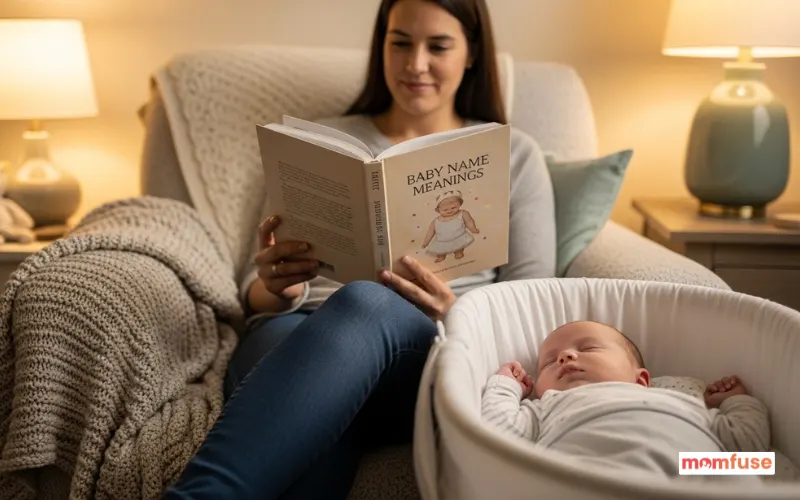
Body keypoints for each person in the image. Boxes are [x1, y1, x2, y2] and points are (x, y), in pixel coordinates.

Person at [164, 0, 556, 498]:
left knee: (365, 299)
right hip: (290, 331)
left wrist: (455, 312)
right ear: (382, 47)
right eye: (400, 43)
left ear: (472, 53)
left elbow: (534, 299)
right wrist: (275, 287)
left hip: (431, 347)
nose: (415, 64)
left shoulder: (514, 153)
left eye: (438, 46)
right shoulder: (317, 140)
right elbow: (252, 289)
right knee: (324, 408)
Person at [481, 321, 771, 482]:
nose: (565, 357)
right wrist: (507, 385)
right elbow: (499, 430)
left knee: (746, 470)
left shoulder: (682, 401)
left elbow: (748, 445)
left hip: (690, 466)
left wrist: (736, 401)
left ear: (641, 380)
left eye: (588, 348)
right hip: (586, 472)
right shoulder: (546, 407)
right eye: (547, 363)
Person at [421, 189, 480, 262]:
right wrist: (425, 242)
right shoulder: (436, 221)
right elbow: (430, 232)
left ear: (459, 204)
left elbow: (469, 222)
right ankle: (441, 256)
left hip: (459, 237)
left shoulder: (463, 213)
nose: (449, 211)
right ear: (438, 210)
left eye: (453, 207)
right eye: (445, 210)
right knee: (440, 251)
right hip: (442, 242)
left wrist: (473, 229)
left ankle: (458, 252)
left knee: (459, 247)